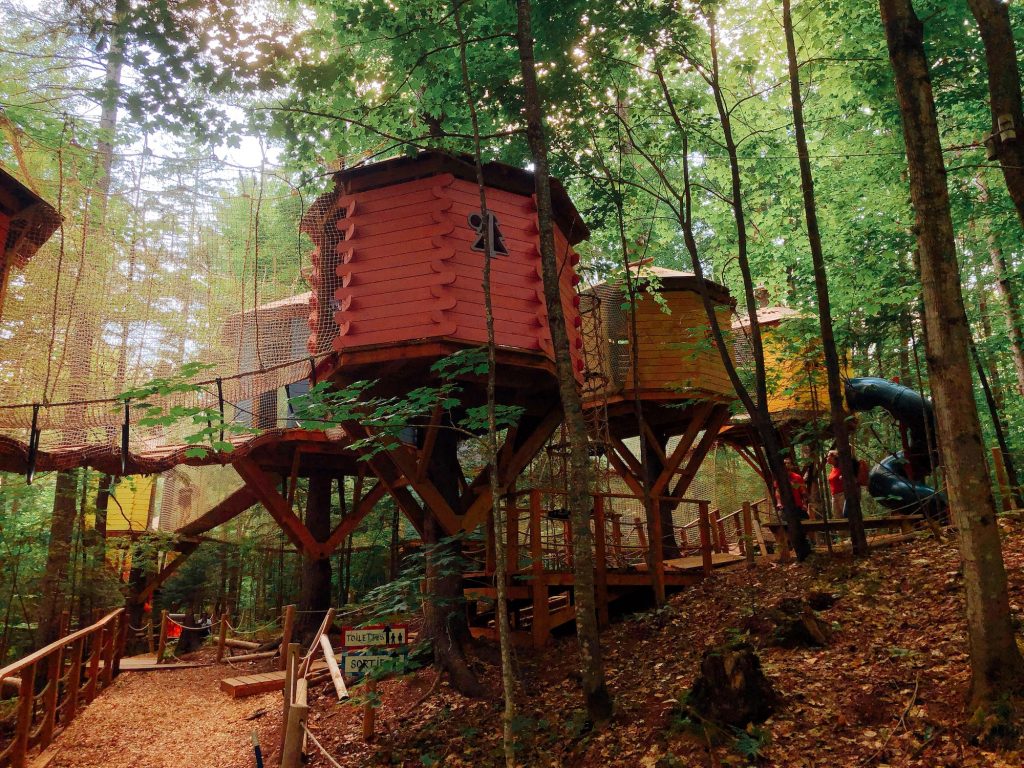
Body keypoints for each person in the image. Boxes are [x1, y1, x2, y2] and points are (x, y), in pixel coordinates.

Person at [826, 449, 845, 518]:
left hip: (842, 495)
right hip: (834, 496)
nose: (827, 458)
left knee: (845, 516)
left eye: (828, 456)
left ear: (835, 458)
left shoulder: (842, 467)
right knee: (837, 517)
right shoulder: (833, 468)